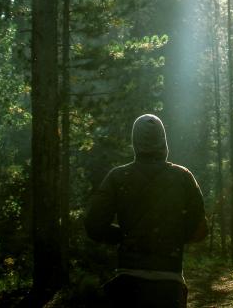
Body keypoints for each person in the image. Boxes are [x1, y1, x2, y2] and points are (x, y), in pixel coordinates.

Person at [85, 113, 208, 308]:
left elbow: (93, 225)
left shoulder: (118, 177)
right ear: (164, 141)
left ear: (135, 142)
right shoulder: (183, 177)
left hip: (128, 283)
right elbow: (200, 230)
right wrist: (171, 237)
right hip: (170, 282)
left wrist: (124, 236)